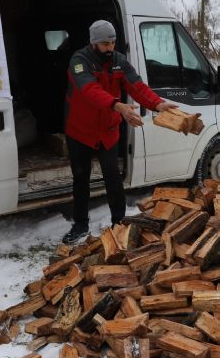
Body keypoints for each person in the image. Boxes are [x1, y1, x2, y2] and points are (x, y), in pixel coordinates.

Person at [61, 20, 177, 243]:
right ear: (94, 42)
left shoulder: (119, 62)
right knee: (81, 178)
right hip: (80, 131)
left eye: (113, 42)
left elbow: (137, 86)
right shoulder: (79, 61)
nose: (110, 48)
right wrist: (118, 105)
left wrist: (157, 104)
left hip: (107, 130)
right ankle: (80, 225)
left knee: (113, 178)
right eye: (105, 43)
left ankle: (119, 223)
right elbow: (89, 90)